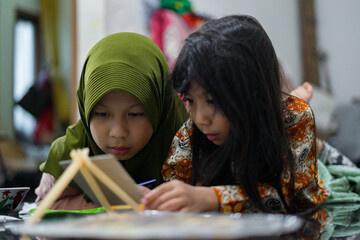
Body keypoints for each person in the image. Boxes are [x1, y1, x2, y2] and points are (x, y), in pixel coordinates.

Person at [141, 15, 329, 213]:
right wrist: (152, 196)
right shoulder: (192, 131)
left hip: (320, 167)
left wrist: (212, 197)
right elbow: (175, 184)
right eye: (190, 101)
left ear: (252, 91)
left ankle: (311, 135)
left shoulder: (296, 118)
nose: (200, 118)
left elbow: (299, 199)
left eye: (213, 101)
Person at [35, 32, 188, 210]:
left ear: (160, 107)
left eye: (135, 114)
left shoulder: (187, 143)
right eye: (102, 114)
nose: (118, 132)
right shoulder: (71, 152)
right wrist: (113, 203)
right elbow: (44, 206)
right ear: (86, 110)